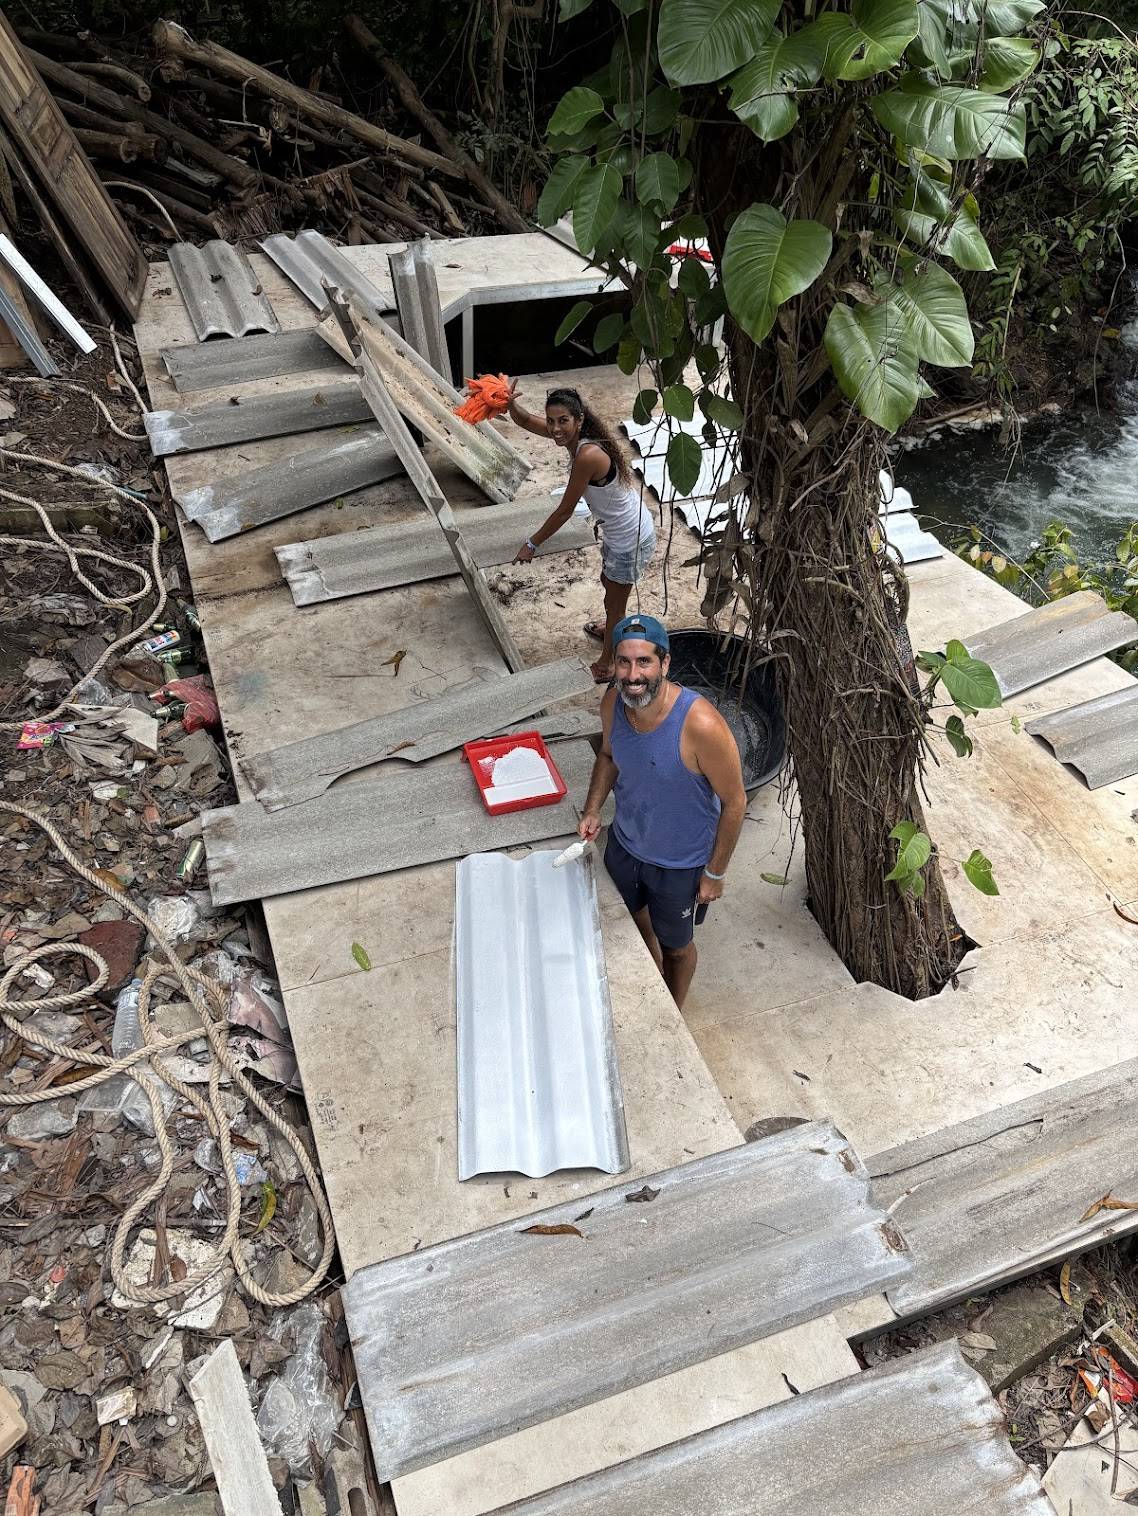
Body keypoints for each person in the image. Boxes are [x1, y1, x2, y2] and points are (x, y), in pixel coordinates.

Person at [577, 614, 747, 1009]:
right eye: (623, 662)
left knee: (677, 948)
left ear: (665, 663)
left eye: (644, 661)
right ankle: (653, 981)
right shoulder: (613, 703)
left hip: (679, 864)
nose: (633, 675)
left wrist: (715, 873)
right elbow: (608, 755)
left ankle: (673, 1010)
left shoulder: (700, 725)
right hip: (625, 844)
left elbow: (735, 801)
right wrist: (593, 808)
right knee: (635, 918)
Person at [505, 382, 656, 684]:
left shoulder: (588, 455)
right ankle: (611, 628)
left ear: (579, 420)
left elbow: (564, 511)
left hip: (630, 539)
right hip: (620, 531)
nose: (555, 429)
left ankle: (609, 662)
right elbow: (525, 421)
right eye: (551, 421)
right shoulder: (572, 436)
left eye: (563, 421)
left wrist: (532, 544)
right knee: (608, 584)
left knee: (616, 606)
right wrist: (509, 404)